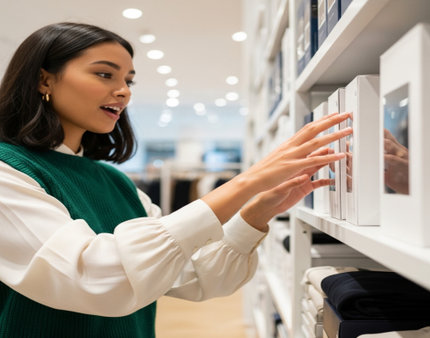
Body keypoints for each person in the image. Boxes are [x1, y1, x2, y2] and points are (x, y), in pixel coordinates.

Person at [0, 22, 352, 337]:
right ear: (45, 79)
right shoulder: (8, 170)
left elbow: (193, 277)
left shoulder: (115, 181)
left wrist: (256, 212)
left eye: (128, 80)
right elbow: (88, 277)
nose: (124, 91)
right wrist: (247, 182)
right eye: (105, 75)